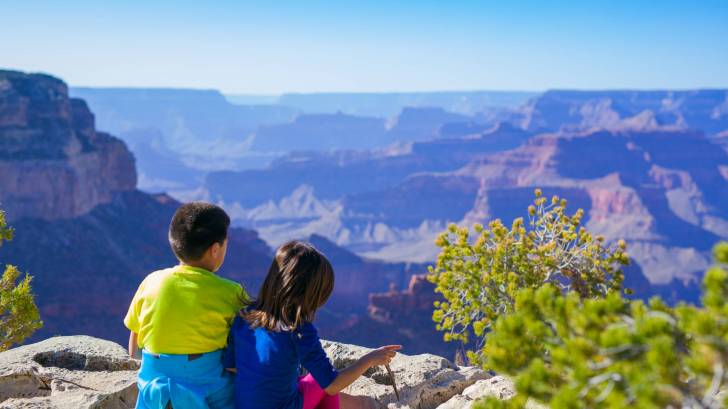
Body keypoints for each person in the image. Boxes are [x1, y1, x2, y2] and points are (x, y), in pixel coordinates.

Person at [224, 240, 401, 409]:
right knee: (322, 381)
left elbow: (231, 367)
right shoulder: (298, 329)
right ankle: (367, 406)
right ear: (310, 292)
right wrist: (369, 359)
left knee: (307, 381)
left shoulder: (244, 315)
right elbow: (332, 385)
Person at [124, 202, 247, 409]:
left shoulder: (151, 281)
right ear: (215, 249)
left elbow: (134, 347)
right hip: (208, 389)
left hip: (155, 389)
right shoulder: (231, 292)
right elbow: (246, 347)